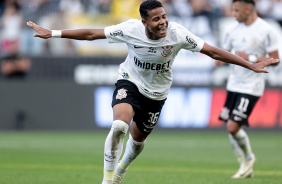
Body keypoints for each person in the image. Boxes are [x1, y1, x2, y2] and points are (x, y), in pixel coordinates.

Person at [27, 0, 279, 183]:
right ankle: (107, 180)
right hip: (129, 82)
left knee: (137, 143)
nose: (163, 22)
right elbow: (93, 33)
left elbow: (212, 51)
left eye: (164, 16)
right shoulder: (130, 29)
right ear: (144, 22)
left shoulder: (178, 33)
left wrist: (250, 64)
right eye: (156, 19)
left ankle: (121, 171)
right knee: (119, 127)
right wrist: (54, 33)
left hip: (157, 93)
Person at [215, 0, 280, 179]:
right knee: (231, 125)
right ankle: (245, 165)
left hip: (252, 85)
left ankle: (249, 158)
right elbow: (225, 51)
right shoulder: (232, 29)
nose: (233, 14)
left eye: (236, 10)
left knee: (232, 126)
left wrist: (250, 57)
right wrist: (220, 59)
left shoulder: (267, 29)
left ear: (248, 9)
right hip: (233, 83)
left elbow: (276, 60)